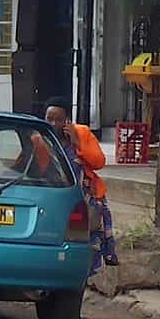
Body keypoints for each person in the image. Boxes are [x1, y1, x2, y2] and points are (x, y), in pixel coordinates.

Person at [42, 100, 116, 284]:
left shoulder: (82, 133)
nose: (53, 124)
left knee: (84, 242)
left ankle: (83, 280)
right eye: (49, 119)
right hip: (56, 198)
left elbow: (98, 162)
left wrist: (77, 143)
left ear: (67, 120)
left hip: (84, 198)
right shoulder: (40, 138)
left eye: (58, 119)